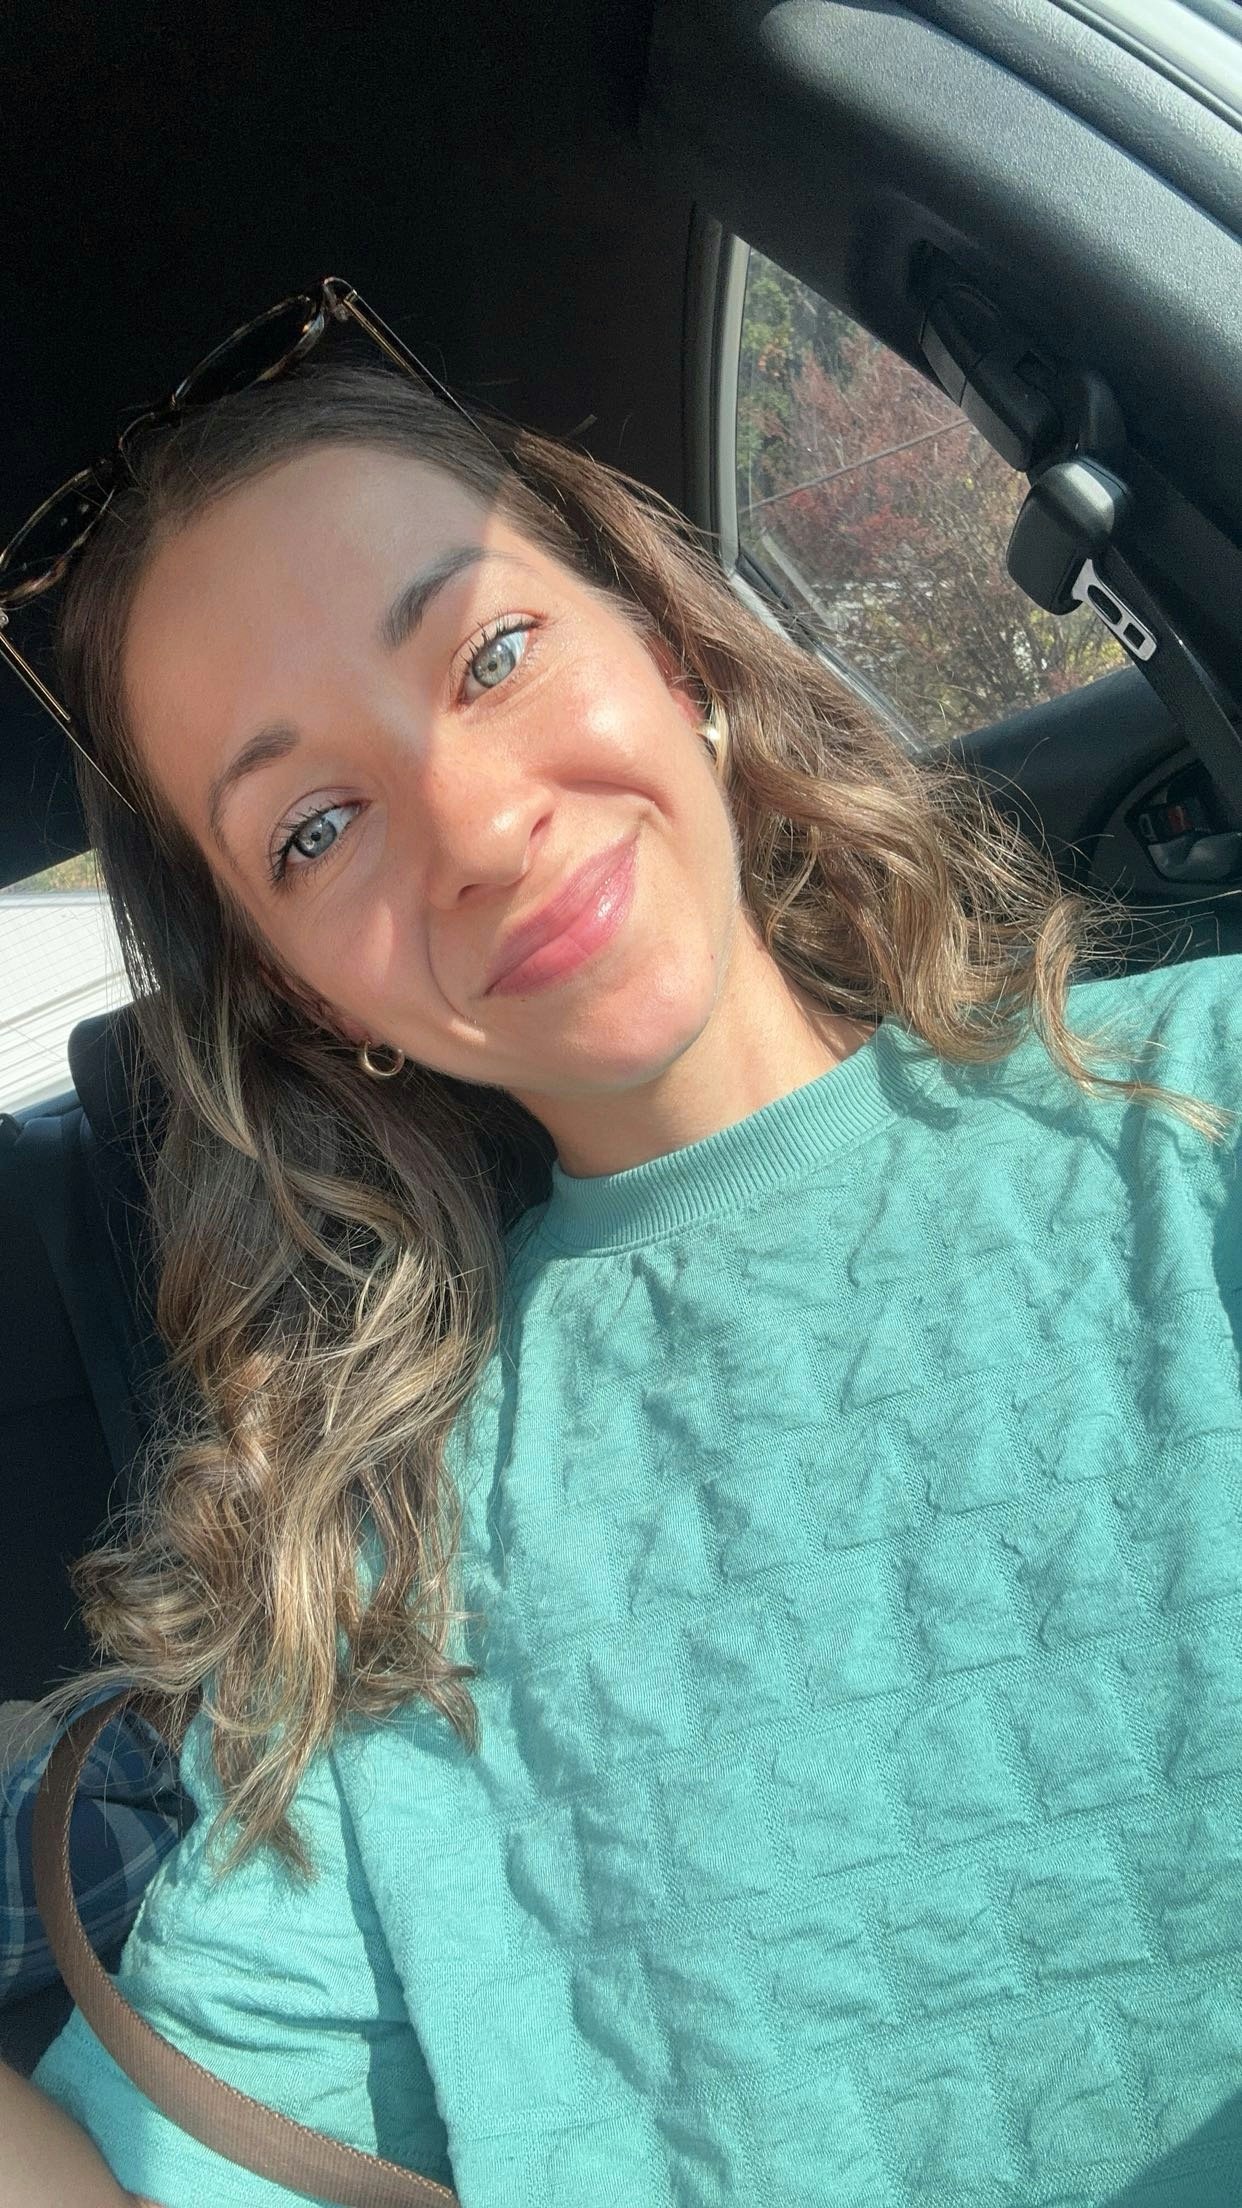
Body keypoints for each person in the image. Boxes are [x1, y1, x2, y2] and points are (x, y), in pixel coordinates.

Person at [1, 328, 1241, 2208]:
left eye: (489, 654)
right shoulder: (375, 1555)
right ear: (304, 994)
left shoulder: (1201, 1105)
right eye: (314, 828)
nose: (476, 827)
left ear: (668, 649)